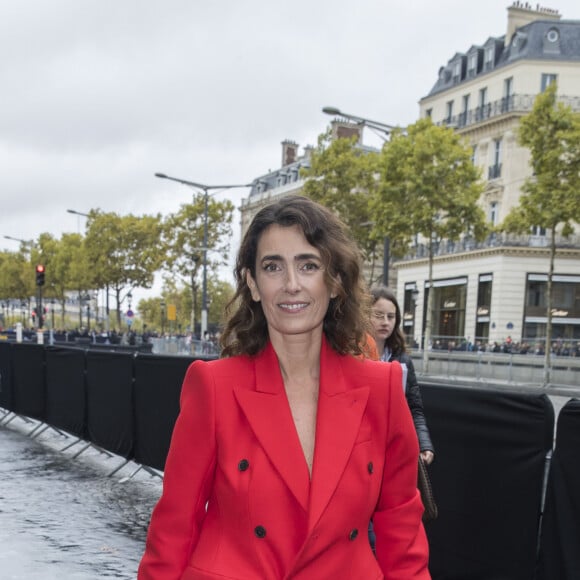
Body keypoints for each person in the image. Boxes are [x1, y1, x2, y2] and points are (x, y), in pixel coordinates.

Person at [138, 195, 430, 579]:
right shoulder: (213, 386)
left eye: (308, 265)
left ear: (336, 281)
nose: (292, 284)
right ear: (253, 285)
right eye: (273, 267)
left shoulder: (382, 388)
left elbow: (402, 533)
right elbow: (174, 528)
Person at [369, 285, 435, 465]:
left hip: (394, 447)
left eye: (390, 317)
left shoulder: (403, 360)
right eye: (378, 315)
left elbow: (414, 408)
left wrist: (423, 444)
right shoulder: (350, 356)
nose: (385, 322)